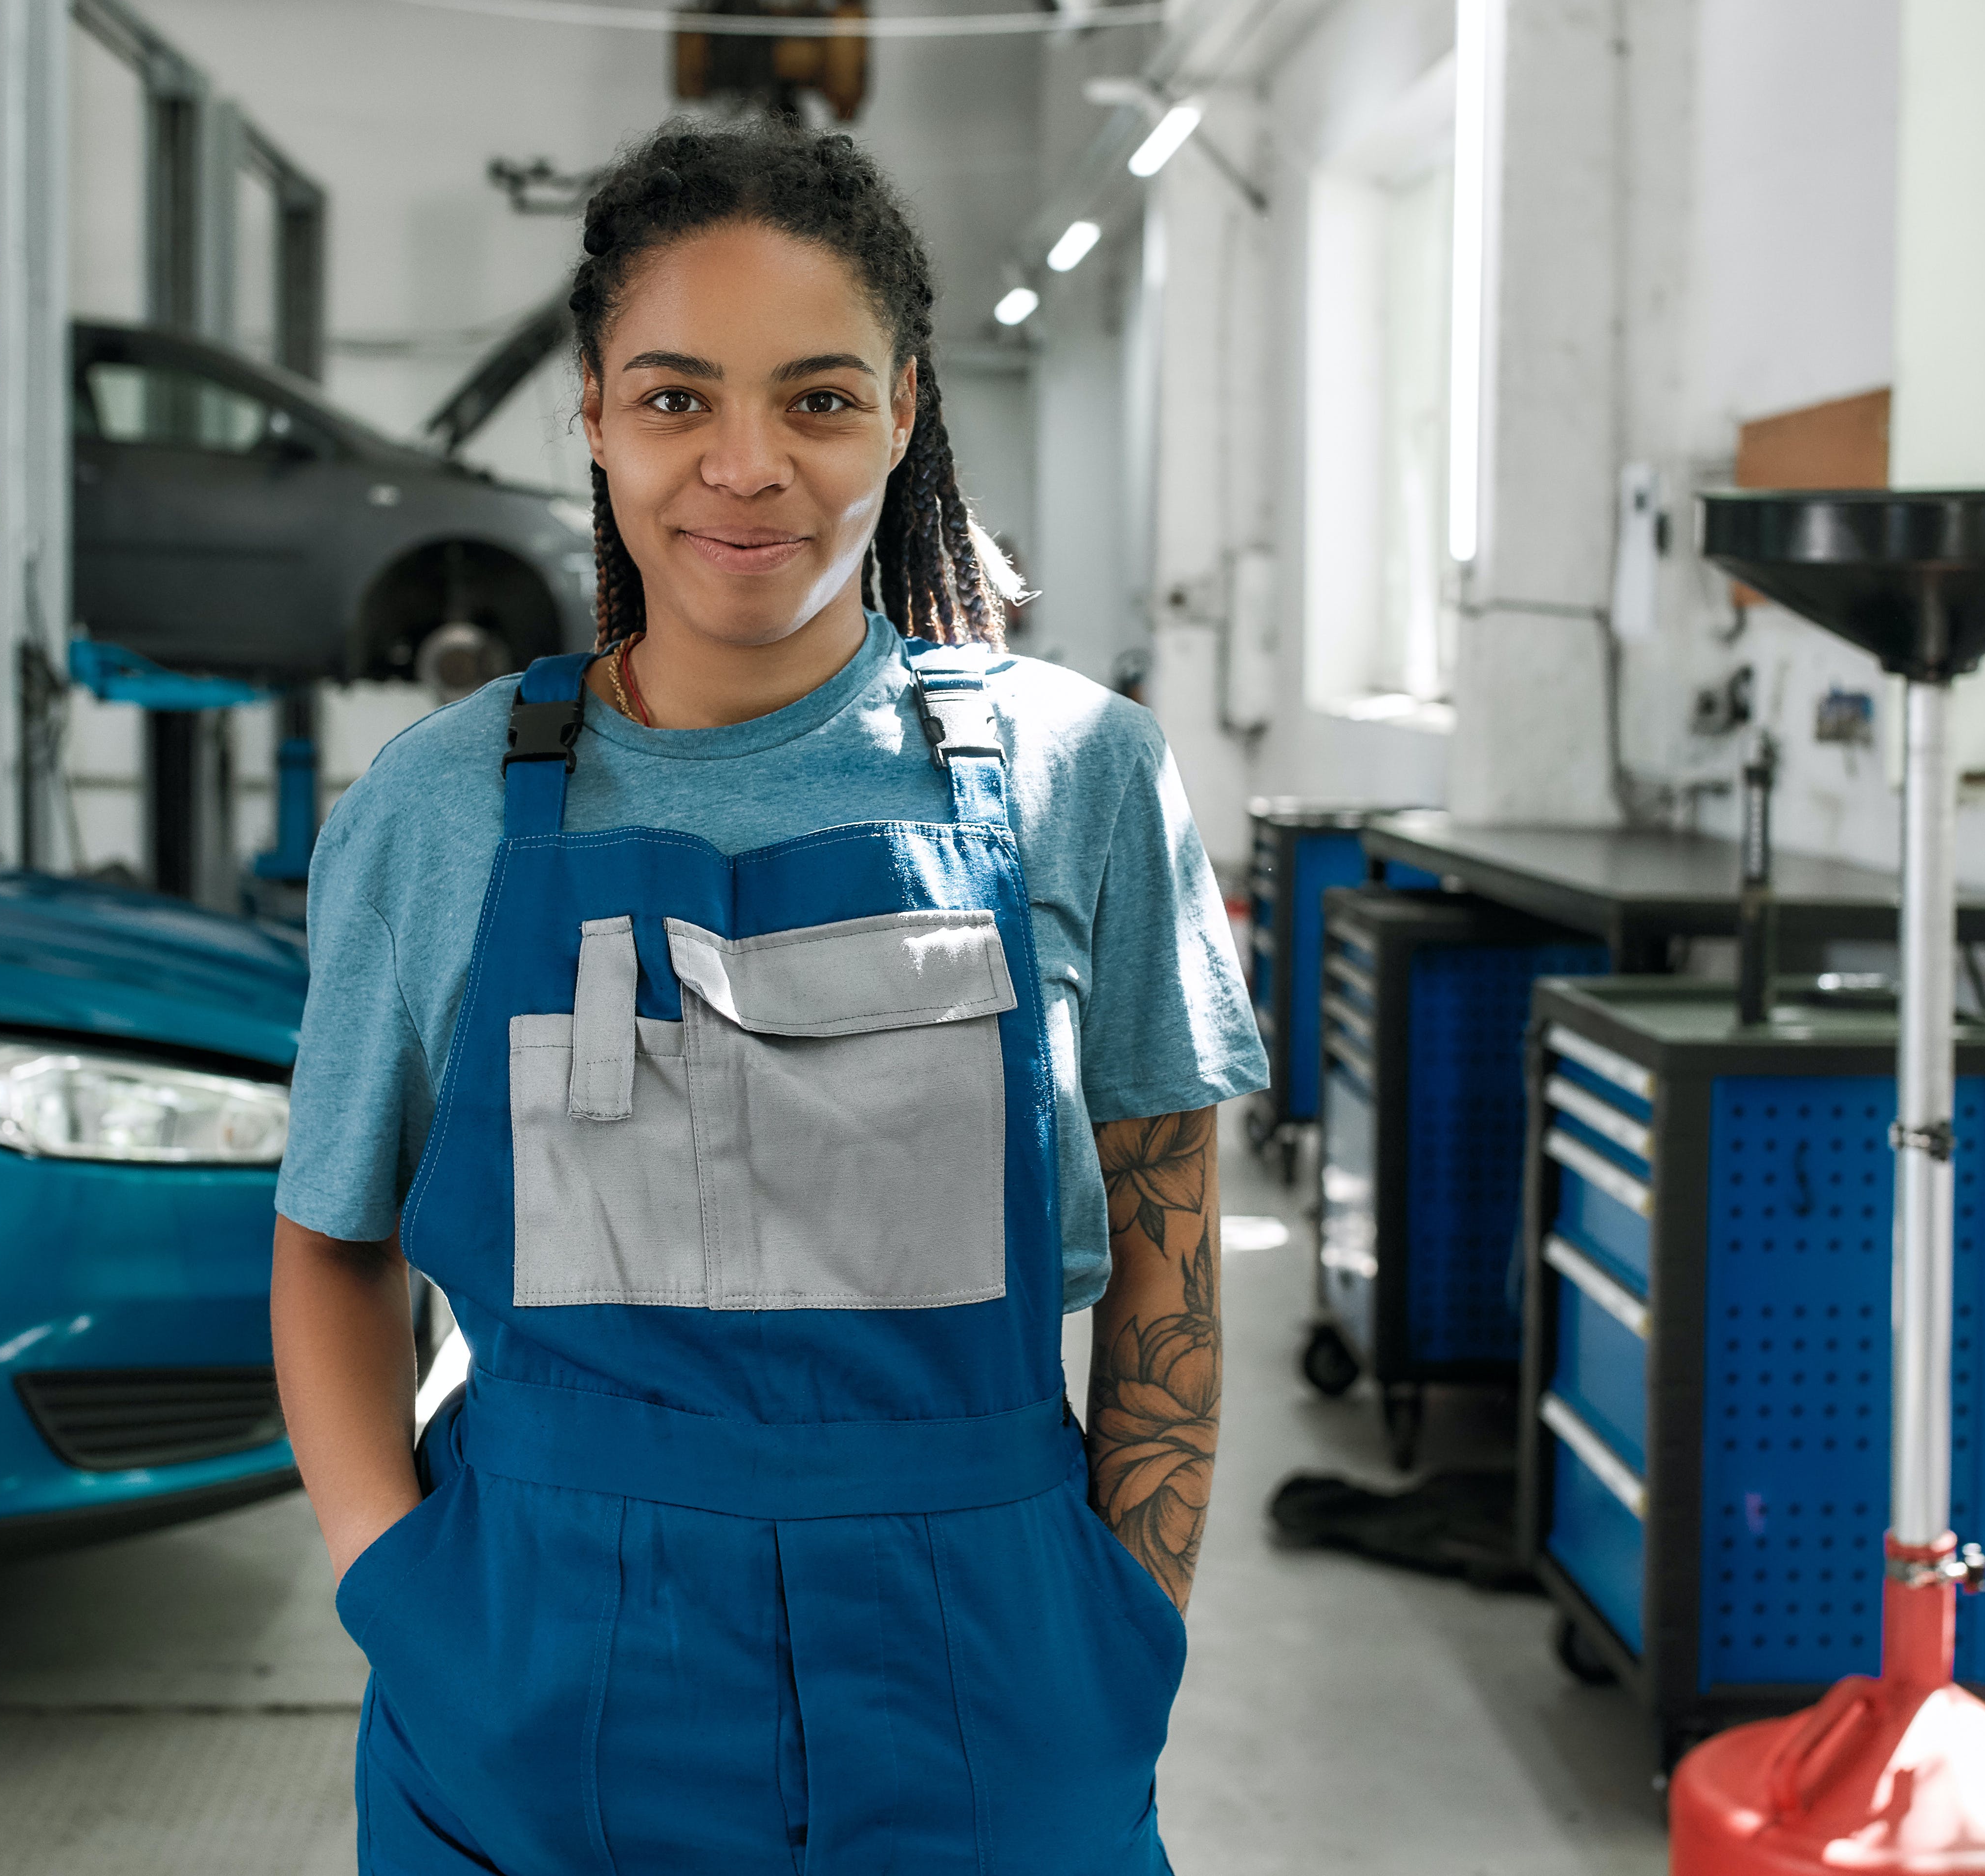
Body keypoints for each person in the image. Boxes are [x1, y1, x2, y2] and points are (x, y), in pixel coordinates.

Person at [270, 116, 1264, 1875]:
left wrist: (1126, 1624)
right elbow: (329, 1239)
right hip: (531, 1682)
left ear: (901, 407)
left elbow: (1167, 1223)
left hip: (991, 1680)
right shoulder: (437, 809)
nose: (745, 466)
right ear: (590, 415)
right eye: (673, 400)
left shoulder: (1075, 774)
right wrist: (399, 1590)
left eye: (814, 398)